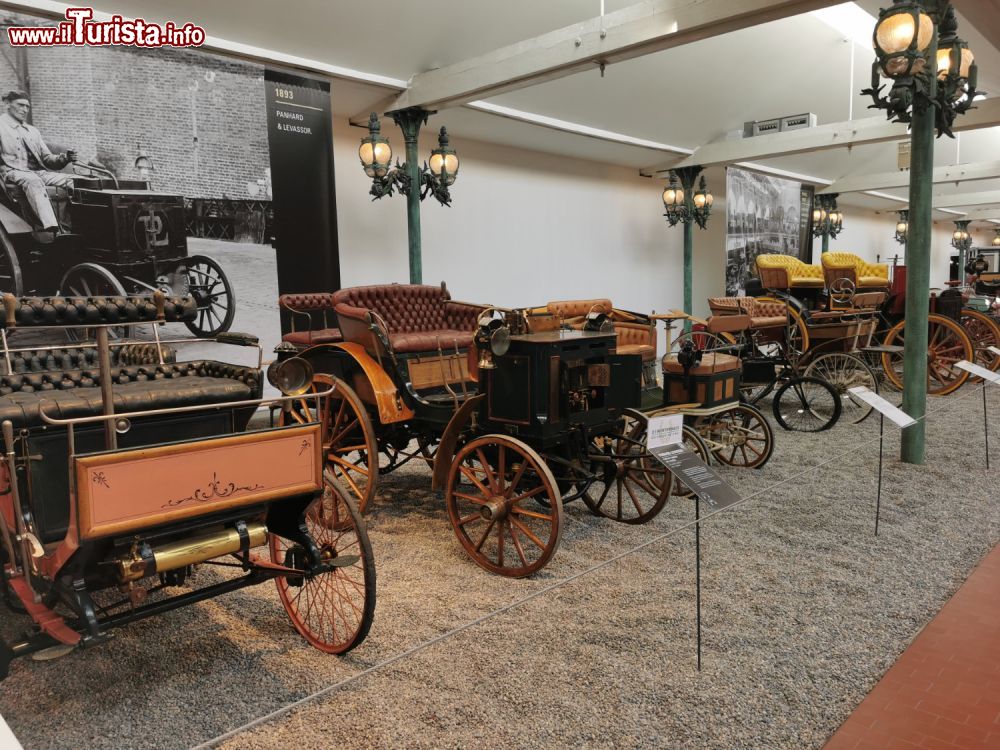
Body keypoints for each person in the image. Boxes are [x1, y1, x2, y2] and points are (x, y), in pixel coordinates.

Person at [0, 91, 76, 234]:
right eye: (20, 105)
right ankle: (51, 227)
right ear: (8, 104)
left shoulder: (32, 131)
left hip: (38, 172)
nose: (25, 110)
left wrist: (65, 158)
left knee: (73, 181)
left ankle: (75, 226)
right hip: (12, 172)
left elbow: (48, 160)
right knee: (33, 180)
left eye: (27, 107)